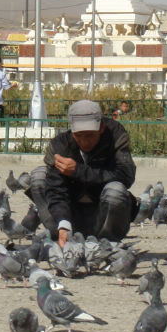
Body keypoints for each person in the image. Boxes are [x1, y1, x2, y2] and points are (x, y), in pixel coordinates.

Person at [28, 99, 136, 244]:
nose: (85, 142)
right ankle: (60, 237)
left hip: (103, 214)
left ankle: (107, 244)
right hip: (71, 213)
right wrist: (63, 223)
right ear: (72, 131)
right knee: (39, 176)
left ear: (101, 128)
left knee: (115, 190)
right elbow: (56, 190)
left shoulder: (115, 135)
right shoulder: (60, 145)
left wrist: (79, 171)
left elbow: (126, 176)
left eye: (90, 135)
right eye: (79, 136)